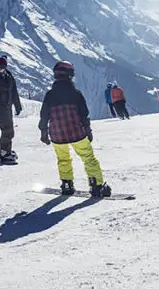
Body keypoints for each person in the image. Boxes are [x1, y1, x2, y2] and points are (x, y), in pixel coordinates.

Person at [38, 61, 111, 197]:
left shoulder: (50, 95)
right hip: (76, 132)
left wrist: (43, 132)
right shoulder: (75, 93)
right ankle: (96, 186)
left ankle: (67, 185)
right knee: (88, 158)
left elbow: (44, 115)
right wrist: (88, 130)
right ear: (70, 75)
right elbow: (84, 114)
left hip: (57, 134)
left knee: (63, 159)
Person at [0, 55, 22, 163]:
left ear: (5, 68)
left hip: (7, 108)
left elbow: (14, 92)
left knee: (9, 130)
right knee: (7, 131)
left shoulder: (9, 76)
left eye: (1, 68)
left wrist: (17, 106)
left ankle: (6, 150)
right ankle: (4, 153)